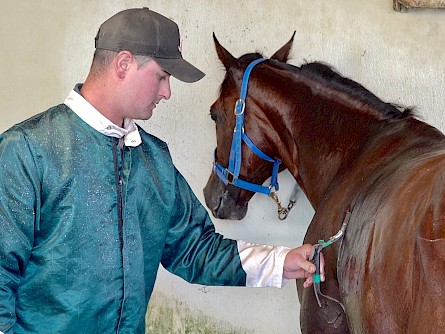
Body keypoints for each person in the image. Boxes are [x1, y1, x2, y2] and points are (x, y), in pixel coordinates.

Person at [0, 7, 324, 334]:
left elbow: (195, 249)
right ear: (123, 63)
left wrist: (282, 262)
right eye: (162, 76)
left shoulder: (153, 159)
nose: (167, 92)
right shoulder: (27, 150)